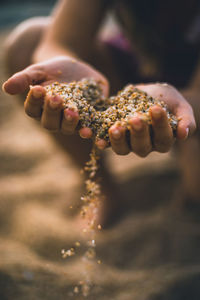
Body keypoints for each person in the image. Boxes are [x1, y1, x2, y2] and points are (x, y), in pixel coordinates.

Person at [2, 0, 198, 225]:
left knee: (196, 185)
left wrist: (178, 104)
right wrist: (62, 71)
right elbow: (56, 43)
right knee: (28, 42)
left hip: (187, 92)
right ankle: (101, 188)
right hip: (135, 64)